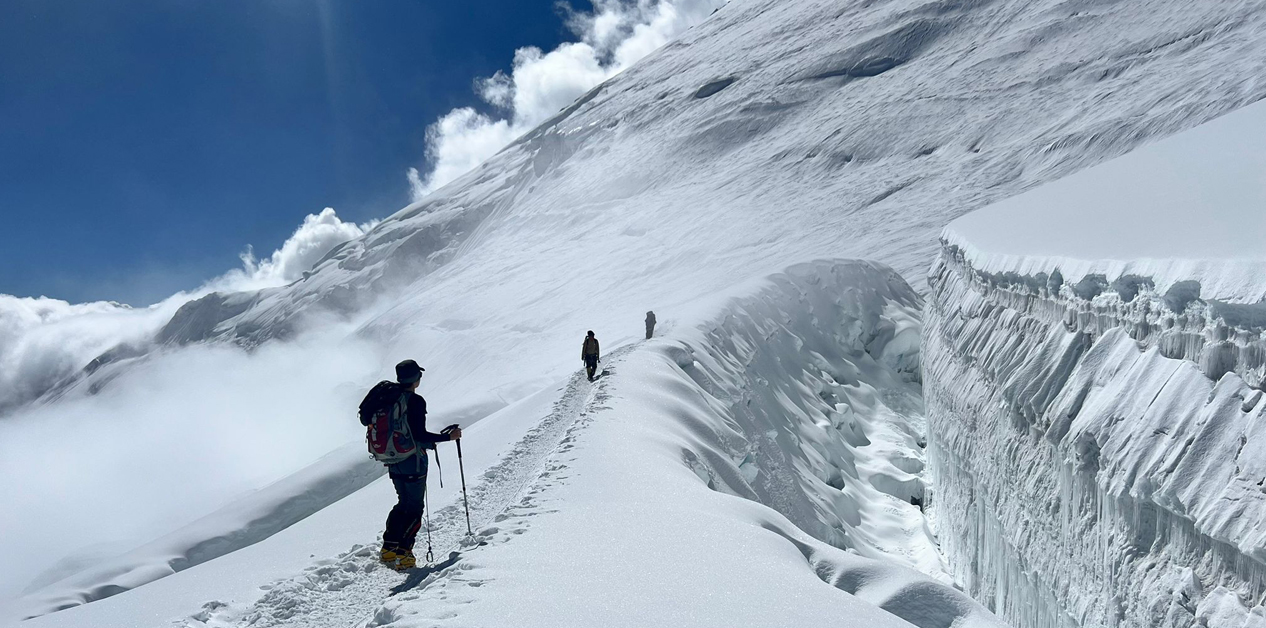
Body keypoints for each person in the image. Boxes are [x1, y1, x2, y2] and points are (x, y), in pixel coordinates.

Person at [362, 359, 461, 570]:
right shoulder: (415, 401)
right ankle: (404, 553)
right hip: (412, 460)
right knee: (415, 507)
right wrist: (449, 437)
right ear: (416, 378)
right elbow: (420, 434)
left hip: (392, 459)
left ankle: (389, 548)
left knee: (403, 503)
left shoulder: (387, 398)